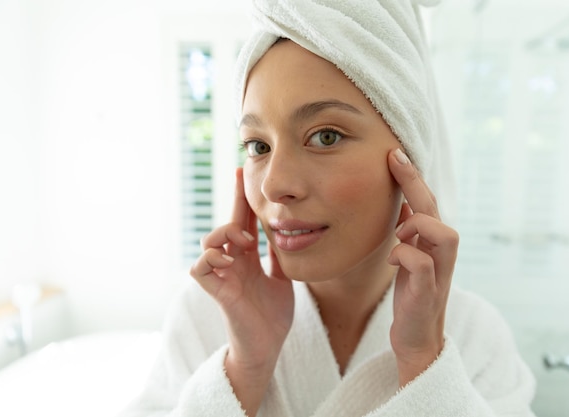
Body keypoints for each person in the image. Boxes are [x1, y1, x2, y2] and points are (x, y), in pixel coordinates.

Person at [122, 0, 536, 416]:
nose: (273, 184)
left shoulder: (474, 337)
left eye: (325, 137)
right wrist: (244, 367)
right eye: (258, 146)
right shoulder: (207, 315)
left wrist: (424, 365)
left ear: (408, 153)